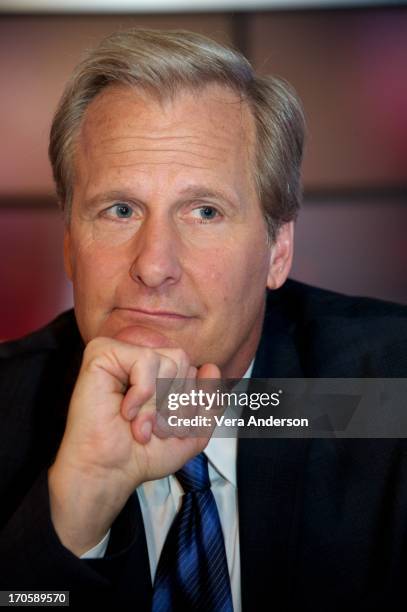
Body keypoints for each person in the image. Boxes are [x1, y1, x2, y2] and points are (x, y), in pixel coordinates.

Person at [0, 28, 406, 612]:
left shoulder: (388, 395)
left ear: (277, 251)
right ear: (69, 245)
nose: (154, 265)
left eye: (205, 212)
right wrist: (70, 520)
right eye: (119, 210)